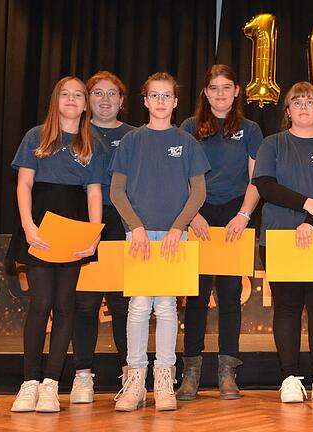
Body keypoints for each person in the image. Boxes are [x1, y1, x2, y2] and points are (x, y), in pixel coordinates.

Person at [111, 72, 210, 411]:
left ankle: (164, 379)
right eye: (155, 95)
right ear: (145, 100)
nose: (161, 102)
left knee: (166, 306)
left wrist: (176, 228)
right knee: (139, 307)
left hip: (174, 236)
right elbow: (116, 191)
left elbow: (198, 192)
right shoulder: (131, 141)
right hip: (137, 235)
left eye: (167, 96)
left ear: (176, 101)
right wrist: (135, 227)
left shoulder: (186, 142)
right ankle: (135, 381)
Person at [253, 82, 313, 403]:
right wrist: (307, 204)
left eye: (310, 102)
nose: (304, 107)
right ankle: (290, 378)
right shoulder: (273, 143)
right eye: (296, 102)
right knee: (287, 307)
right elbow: (266, 186)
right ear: (288, 111)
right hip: (280, 237)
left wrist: (310, 220)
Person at [9, 76, 103, 413]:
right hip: (40, 229)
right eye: (66, 94)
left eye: (79, 95)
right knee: (41, 303)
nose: (72, 100)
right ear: (56, 100)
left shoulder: (92, 142)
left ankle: (51, 384)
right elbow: (24, 185)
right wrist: (28, 226)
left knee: (65, 305)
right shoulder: (36, 136)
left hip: (73, 229)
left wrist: (93, 235)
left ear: (85, 104)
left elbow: (94, 191)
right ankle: (29, 382)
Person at [178, 64, 263, 400]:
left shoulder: (250, 129)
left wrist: (244, 214)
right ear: (205, 92)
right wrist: (192, 214)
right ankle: (191, 373)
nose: (220, 94)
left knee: (230, 297)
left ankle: (227, 372)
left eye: (226, 87)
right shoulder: (188, 127)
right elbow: (180, 177)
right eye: (213, 88)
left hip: (234, 217)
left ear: (237, 90)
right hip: (197, 216)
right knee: (195, 297)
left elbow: (257, 178)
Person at [70, 71, 136, 404]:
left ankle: (130, 373)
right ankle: (83, 374)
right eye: (98, 93)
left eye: (112, 93)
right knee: (85, 304)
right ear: (87, 99)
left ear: (122, 101)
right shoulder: (74, 132)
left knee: (124, 304)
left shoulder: (137, 136)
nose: (105, 99)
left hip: (124, 224)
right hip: (84, 223)